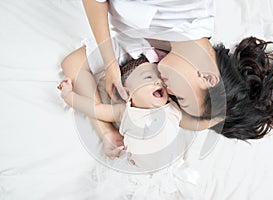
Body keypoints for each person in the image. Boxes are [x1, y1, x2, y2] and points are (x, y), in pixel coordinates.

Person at [61, 0, 217, 158]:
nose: (169, 90)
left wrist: (107, 132)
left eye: (176, 99)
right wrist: (109, 62)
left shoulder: (154, 57)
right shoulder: (187, 13)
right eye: (181, 97)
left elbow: (74, 65)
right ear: (207, 77)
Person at [59, 53, 200, 171]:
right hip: (140, 173)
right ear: (127, 93)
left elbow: (197, 121)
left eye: (160, 79)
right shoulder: (124, 112)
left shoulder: (172, 107)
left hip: (175, 169)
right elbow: (94, 109)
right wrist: (70, 98)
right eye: (148, 78)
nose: (159, 82)